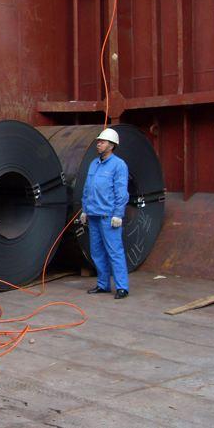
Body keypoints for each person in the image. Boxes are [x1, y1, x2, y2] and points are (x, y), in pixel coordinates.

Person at [81, 127, 130, 299]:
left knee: (114, 251)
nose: (98, 144)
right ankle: (103, 285)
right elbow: (87, 189)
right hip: (93, 215)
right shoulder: (94, 163)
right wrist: (85, 210)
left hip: (109, 217)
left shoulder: (119, 165)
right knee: (97, 252)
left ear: (112, 145)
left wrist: (118, 214)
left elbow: (121, 192)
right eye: (98, 141)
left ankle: (122, 287)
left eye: (102, 141)